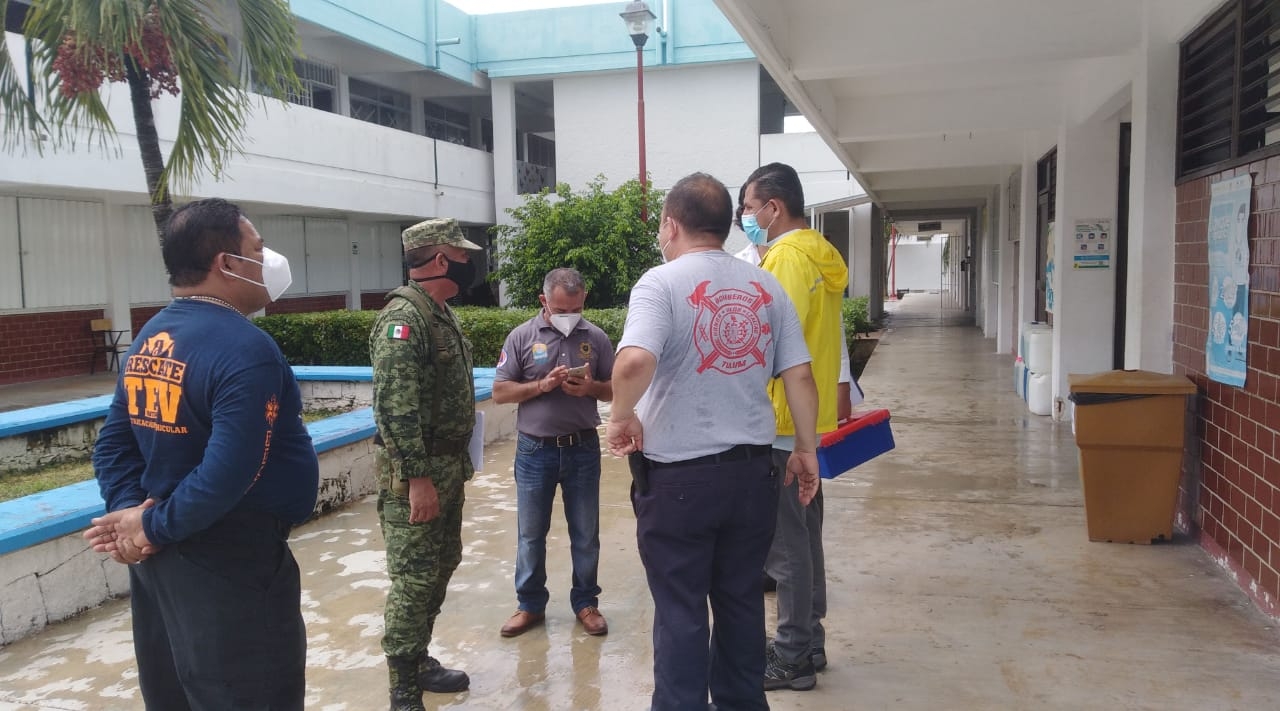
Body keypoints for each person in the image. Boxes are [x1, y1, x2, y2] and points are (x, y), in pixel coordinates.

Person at [84, 197, 319, 710]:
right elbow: (230, 469)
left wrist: (132, 515)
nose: (268, 258)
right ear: (228, 264)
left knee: (179, 692)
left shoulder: (154, 333)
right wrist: (147, 526)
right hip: (229, 563)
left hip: (163, 562)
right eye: (258, 248)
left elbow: (114, 442)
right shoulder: (245, 346)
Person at [606, 172, 822, 711]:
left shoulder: (660, 282)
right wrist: (805, 449)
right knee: (741, 604)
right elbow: (800, 375)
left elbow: (634, 360)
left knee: (680, 613)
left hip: (679, 480)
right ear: (727, 224)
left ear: (670, 224)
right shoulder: (765, 283)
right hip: (752, 476)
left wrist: (621, 416)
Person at [740, 162, 848, 691]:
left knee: (785, 547)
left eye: (748, 209)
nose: (747, 220)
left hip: (781, 420)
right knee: (805, 539)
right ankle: (810, 641)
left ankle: (791, 657)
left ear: (772, 208)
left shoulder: (783, 259)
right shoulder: (820, 257)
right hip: (810, 419)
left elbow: (761, 341)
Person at [369, 217, 481, 711]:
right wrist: (417, 479)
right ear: (441, 260)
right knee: (414, 579)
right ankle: (402, 688)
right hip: (418, 473)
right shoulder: (404, 319)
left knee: (441, 565)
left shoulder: (440, 313)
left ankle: (418, 659)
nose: (470, 263)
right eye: (462, 255)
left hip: (448, 468)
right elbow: (395, 408)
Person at [492, 268, 615, 638]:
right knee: (530, 534)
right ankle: (529, 605)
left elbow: (613, 390)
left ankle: (586, 602)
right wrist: (540, 386)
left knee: (586, 533)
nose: (569, 314)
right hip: (535, 451)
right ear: (544, 301)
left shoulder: (596, 338)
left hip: (582, 449)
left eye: (575, 307)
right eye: (562, 308)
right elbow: (500, 392)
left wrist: (590, 387)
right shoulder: (522, 337)